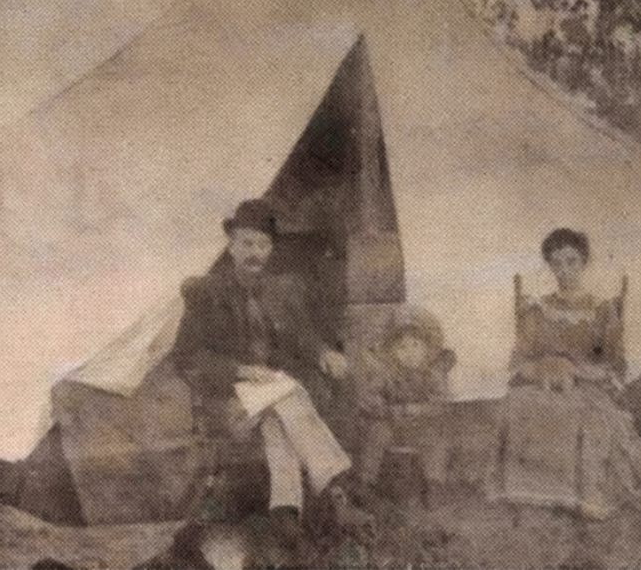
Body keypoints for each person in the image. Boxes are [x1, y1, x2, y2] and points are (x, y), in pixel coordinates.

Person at [170, 199, 371, 554]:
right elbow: (186, 358)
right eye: (247, 243)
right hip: (228, 403)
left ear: (270, 250)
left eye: (263, 245)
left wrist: (324, 353)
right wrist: (242, 370)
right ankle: (335, 486)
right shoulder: (207, 294)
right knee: (290, 393)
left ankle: (285, 514)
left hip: (272, 398)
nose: (255, 253)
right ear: (231, 246)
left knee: (281, 417)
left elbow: (302, 336)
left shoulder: (281, 292)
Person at [486, 228, 641, 520]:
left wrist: (578, 371)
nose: (564, 270)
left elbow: (615, 364)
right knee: (519, 405)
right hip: (544, 383)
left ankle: (585, 497)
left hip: (588, 384)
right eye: (556, 263)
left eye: (571, 261)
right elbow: (519, 360)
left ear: (584, 262)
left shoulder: (602, 310)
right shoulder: (537, 310)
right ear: (550, 266)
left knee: (585, 416)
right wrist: (544, 370)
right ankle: (537, 493)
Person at [354, 305, 460, 508]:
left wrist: (419, 410)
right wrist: (385, 408)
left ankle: (434, 483)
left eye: (415, 346)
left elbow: (441, 403)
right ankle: (366, 482)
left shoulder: (432, 373)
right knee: (377, 433)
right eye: (402, 348)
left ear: (427, 348)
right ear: (391, 352)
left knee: (435, 440)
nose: (409, 353)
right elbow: (367, 397)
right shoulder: (386, 373)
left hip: (422, 426)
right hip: (393, 425)